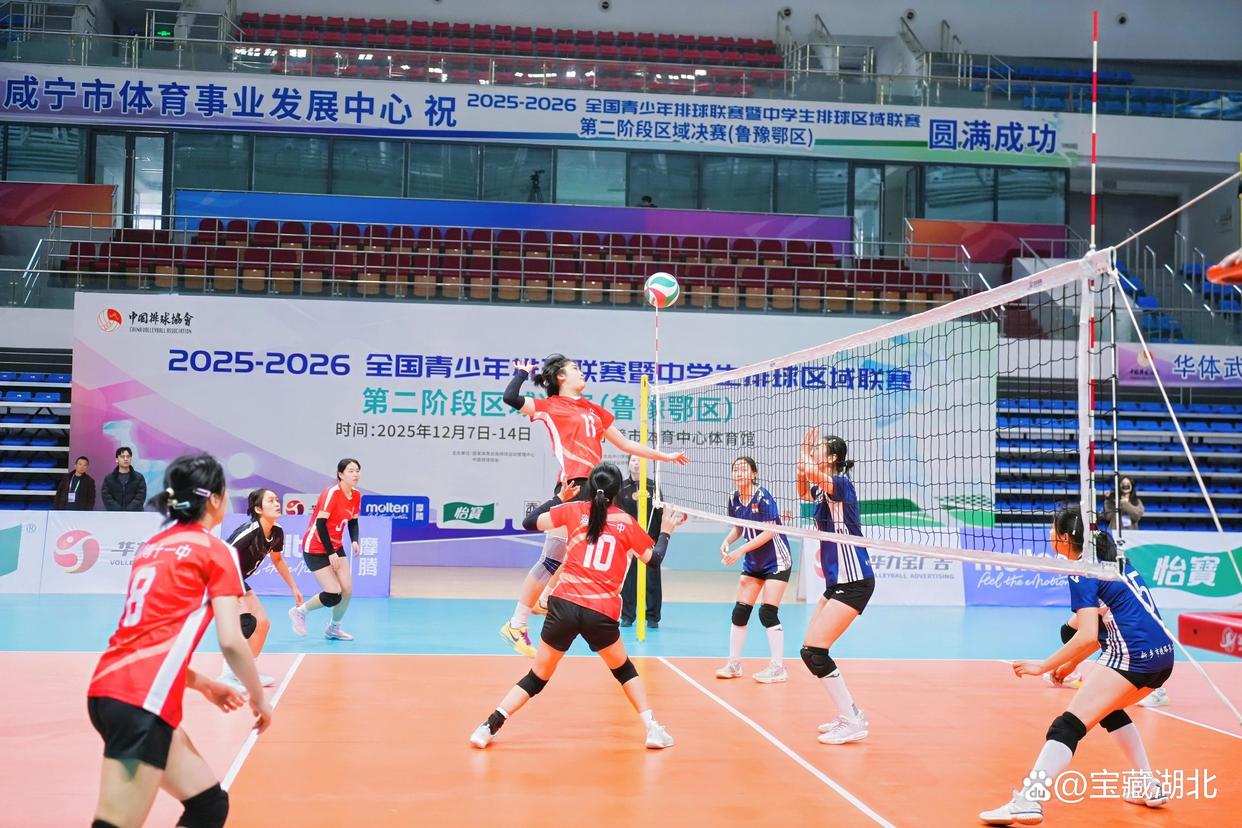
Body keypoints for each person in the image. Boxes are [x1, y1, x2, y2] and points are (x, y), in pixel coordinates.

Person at [87, 454, 272, 828]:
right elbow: (232, 641)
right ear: (214, 499)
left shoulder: (153, 547)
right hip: (142, 703)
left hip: (111, 688)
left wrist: (203, 683)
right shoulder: (215, 551)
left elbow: (146, 639)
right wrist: (258, 697)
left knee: (208, 806)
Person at [980, 504, 1172, 825]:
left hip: (1133, 658)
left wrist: (1043, 666)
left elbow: (1087, 637)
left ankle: (1029, 800)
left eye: (1052, 528)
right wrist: (1070, 666)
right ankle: (1147, 783)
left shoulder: (1083, 569)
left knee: (1067, 726)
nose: (1049, 534)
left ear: (1065, 538)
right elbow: (1095, 632)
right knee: (1108, 709)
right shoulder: (1112, 559)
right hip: (1162, 658)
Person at [470, 463, 683, 750]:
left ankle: (488, 726)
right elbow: (654, 560)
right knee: (624, 671)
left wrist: (559, 497)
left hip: (564, 606)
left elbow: (528, 522)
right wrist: (666, 531)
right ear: (617, 492)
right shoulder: (626, 523)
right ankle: (653, 729)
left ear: (588, 487)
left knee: (537, 676)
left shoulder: (573, 511)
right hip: (601, 611)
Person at [499, 354, 689, 657]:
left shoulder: (594, 410)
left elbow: (626, 444)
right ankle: (519, 621)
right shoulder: (550, 407)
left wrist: (664, 457)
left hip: (595, 489)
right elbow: (511, 398)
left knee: (566, 555)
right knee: (552, 559)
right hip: (574, 487)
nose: (581, 372)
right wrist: (521, 373)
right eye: (574, 368)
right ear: (561, 377)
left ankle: (540, 603)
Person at [796, 429, 875, 745]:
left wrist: (805, 453)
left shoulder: (840, 484)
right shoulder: (822, 488)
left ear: (832, 458)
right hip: (836, 582)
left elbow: (810, 471)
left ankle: (852, 721)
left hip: (854, 581)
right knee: (809, 650)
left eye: (820, 448)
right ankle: (850, 713)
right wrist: (803, 461)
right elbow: (804, 490)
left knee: (816, 652)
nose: (815, 451)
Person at [716, 456, 792, 683]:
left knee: (767, 612)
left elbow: (770, 531)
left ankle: (778, 667)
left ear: (754, 474)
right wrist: (727, 541)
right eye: (735, 469)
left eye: (743, 469)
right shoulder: (734, 498)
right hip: (753, 562)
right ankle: (734, 664)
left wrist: (739, 551)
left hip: (776, 561)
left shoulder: (763, 497)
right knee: (740, 612)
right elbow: (739, 528)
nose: (739, 473)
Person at [221, 488, 303, 691]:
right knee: (245, 622)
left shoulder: (277, 532)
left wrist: (294, 587)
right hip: (222, 575)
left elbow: (277, 559)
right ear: (258, 509)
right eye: (271, 501)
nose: (277, 503)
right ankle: (226, 675)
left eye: (277, 499)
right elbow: (222, 556)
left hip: (239, 579)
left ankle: (246, 671)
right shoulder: (249, 531)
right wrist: (236, 594)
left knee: (263, 624)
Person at [288, 458, 361, 641]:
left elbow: (353, 521)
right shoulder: (331, 493)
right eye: (351, 471)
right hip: (315, 547)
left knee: (347, 591)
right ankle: (299, 611)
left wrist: (354, 540)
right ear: (340, 474)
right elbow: (320, 524)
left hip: (335, 545)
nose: (355, 474)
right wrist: (330, 553)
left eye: (357, 471)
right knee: (333, 594)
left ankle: (334, 628)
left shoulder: (356, 495)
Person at [619, 454, 664, 628]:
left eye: (640, 460)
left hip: (649, 541)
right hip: (628, 541)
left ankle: (652, 617)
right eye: (633, 460)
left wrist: (658, 538)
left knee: (652, 580)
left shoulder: (653, 486)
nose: (636, 463)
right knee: (628, 580)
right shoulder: (622, 487)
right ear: (628, 464)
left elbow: (660, 513)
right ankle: (627, 616)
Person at [101, 446, 147, 512]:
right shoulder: (109, 478)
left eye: (128, 456)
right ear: (117, 459)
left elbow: (140, 497)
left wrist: (129, 510)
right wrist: (117, 510)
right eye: (122, 456)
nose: (125, 459)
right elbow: (106, 497)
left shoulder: (139, 477)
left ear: (131, 459)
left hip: (134, 514)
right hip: (114, 514)